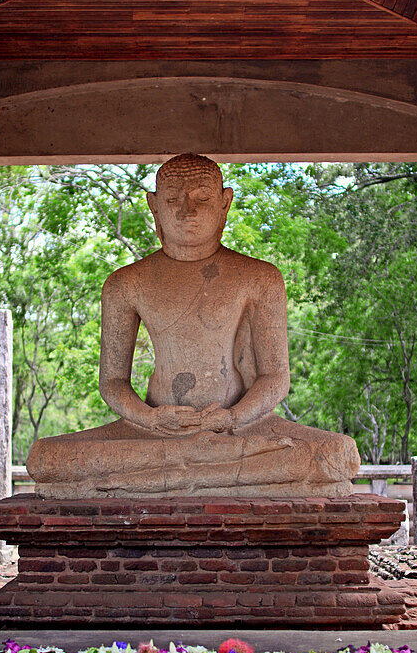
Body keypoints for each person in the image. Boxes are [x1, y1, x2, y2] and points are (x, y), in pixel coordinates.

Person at [27, 153, 360, 497]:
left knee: (337, 454)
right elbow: (112, 382)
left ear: (224, 203)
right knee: (46, 458)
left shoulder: (260, 277)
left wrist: (232, 419)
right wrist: (150, 419)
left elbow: (275, 378)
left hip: (240, 431)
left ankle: (168, 475)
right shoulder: (125, 284)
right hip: (153, 434)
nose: (188, 210)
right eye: (173, 200)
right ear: (154, 205)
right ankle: (210, 470)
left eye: (202, 198)